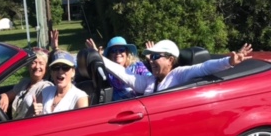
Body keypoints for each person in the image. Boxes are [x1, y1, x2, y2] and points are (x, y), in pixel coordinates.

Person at [101, 39, 253, 95]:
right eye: (150, 57)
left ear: (170, 60)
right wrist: (99, 57)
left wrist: (229, 61)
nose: (151, 61)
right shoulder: (150, 81)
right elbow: (124, 74)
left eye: (156, 57)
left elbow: (204, 67)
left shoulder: (179, 74)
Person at [86, 35, 150, 100]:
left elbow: (150, 80)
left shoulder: (138, 66)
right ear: (109, 56)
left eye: (121, 50)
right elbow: (95, 80)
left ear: (127, 53)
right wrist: (97, 56)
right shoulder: (106, 72)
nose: (118, 53)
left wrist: (152, 62)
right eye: (113, 51)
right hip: (118, 105)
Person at [0, 49, 53, 119]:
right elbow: (7, 95)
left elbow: (47, 114)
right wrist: (4, 96)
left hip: (28, 124)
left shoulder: (46, 87)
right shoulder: (24, 82)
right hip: (14, 121)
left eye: (41, 63)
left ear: (46, 68)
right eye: (34, 62)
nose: (37, 66)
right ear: (28, 66)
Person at [34, 50, 89, 115]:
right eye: (56, 67)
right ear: (51, 72)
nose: (60, 71)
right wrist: (34, 114)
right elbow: (30, 118)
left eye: (65, 67)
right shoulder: (45, 92)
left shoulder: (79, 98)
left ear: (73, 72)